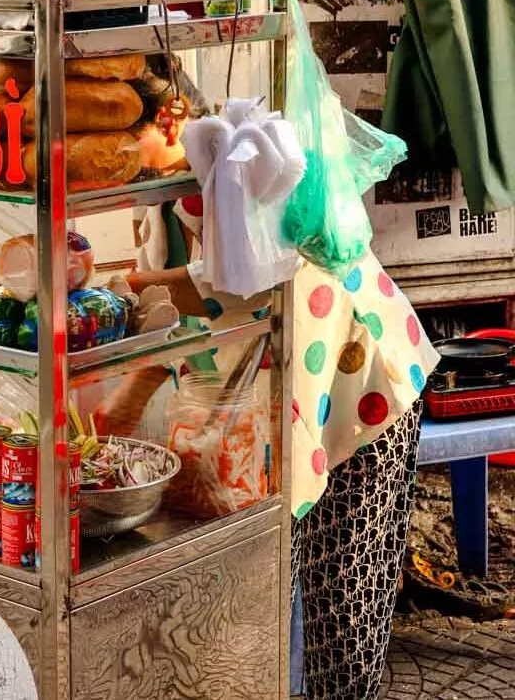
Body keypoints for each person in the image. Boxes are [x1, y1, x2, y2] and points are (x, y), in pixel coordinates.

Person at [97, 197, 439, 700]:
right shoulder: (154, 204)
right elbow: (165, 323)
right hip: (267, 419)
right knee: (257, 588)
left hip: (359, 391)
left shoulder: (242, 155)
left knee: (344, 606)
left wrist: (108, 290)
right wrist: (118, 410)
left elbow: (242, 280)